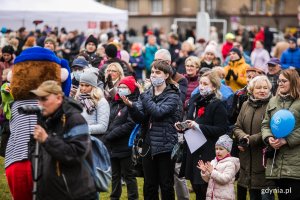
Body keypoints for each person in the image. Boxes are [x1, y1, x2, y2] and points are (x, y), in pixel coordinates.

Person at [122, 60, 182, 200]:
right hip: (149, 144)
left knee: (166, 184)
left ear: (166, 75)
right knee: (149, 184)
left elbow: (158, 112)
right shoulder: (149, 92)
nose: (154, 75)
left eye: (158, 72)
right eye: (153, 72)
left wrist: (143, 96)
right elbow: (141, 118)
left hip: (165, 144)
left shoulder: (172, 95)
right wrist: (131, 106)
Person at [29, 80, 97, 199]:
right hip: (48, 192)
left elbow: (76, 153)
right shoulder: (44, 118)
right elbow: (34, 149)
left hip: (75, 193)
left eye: (44, 99)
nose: (40, 104)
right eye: (38, 99)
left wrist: (47, 140)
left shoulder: (75, 119)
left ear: (59, 98)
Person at [179, 71, 228, 200]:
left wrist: (199, 126)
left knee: (205, 186)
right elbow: (190, 119)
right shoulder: (195, 100)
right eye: (200, 83)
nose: (201, 86)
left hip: (207, 149)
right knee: (195, 185)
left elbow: (222, 129)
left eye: (205, 84)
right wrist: (182, 127)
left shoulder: (218, 104)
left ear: (213, 86)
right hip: (193, 147)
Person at [234, 76, 275, 200]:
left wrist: (250, 140)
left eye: (265, 87)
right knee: (253, 193)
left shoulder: (273, 105)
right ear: (252, 89)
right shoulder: (246, 104)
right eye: (258, 87)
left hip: (264, 158)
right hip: (247, 157)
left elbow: (271, 130)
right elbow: (237, 126)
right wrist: (242, 136)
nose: (262, 90)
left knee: (265, 194)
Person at [262, 69, 300, 200]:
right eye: (279, 81)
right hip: (276, 165)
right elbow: (265, 124)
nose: (280, 84)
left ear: (294, 82)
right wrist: (269, 138)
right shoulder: (273, 101)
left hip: (295, 165)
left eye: (284, 81)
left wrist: (287, 140)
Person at [104, 76, 139, 200]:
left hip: (125, 145)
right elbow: (110, 120)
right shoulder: (115, 103)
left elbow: (130, 124)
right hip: (113, 146)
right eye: (120, 87)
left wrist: (111, 135)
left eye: (125, 87)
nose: (121, 89)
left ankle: (133, 197)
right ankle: (114, 197)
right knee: (115, 175)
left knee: (128, 175)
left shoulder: (132, 104)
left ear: (131, 89)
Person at [197, 135, 240, 200]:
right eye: (216, 149)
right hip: (211, 197)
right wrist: (204, 172)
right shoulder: (213, 162)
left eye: (221, 149)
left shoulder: (230, 164)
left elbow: (225, 179)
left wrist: (212, 172)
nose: (218, 151)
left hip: (225, 197)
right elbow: (208, 180)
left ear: (228, 151)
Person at [75, 71, 110, 140]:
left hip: (92, 140)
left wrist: (82, 129)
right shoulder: (78, 99)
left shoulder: (101, 101)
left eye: (87, 85)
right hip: (77, 139)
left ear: (93, 86)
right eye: (81, 85)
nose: (83, 88)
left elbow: (103, 127)